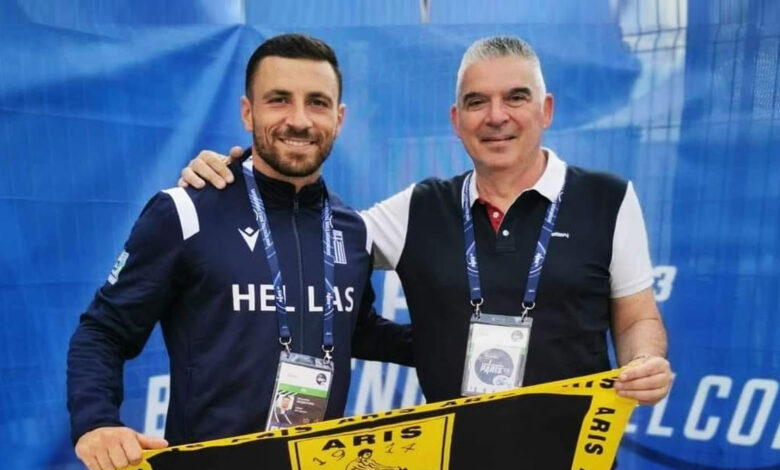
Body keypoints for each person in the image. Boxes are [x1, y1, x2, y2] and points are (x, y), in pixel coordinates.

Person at [181, 36, 672, 405]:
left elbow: (638, 318)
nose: (495, 116)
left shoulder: (609, 199)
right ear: (456, 120)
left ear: (545, 110)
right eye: (476, 102)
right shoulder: (418, 208)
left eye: (515, 98)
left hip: (576, 453)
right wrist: (236, 184)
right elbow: (308, 234)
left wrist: (645, 360)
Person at [67, 34, 413, 470]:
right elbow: (103, 331)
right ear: (248, 112)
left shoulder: (352, 230)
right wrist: (96, 422)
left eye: (317, 103)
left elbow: (356, 330)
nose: (299, 120)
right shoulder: (186, 210)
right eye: (279, 100)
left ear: (339, 118)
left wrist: (454, 342)